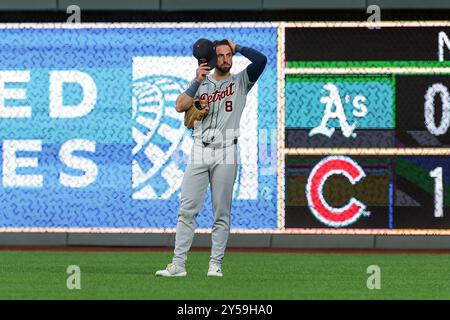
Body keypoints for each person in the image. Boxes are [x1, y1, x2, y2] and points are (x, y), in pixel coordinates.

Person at [156, 39, 267, 277]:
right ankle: (178, 265)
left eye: (229, 55)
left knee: (221, 213)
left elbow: (261, 60)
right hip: (200, 149)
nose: (226, 59)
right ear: (214, 59)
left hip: (227, 150)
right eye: (222, 55)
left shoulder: (241, 81)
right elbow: (179, 106)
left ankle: (215, 265)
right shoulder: (201, 82)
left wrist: (238, 48)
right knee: (187, 210)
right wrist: (196, 81)